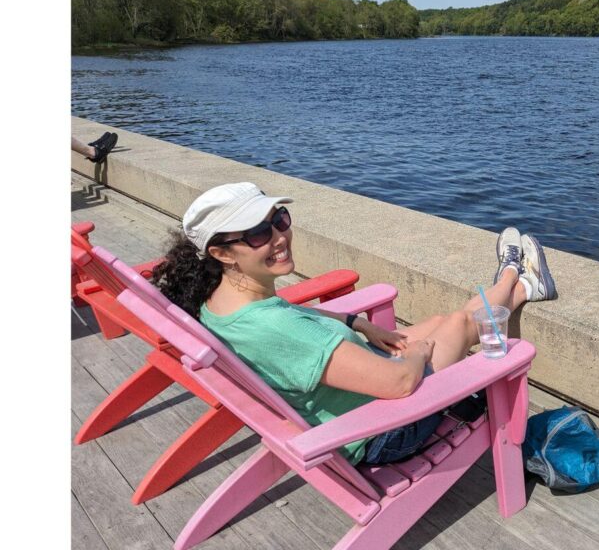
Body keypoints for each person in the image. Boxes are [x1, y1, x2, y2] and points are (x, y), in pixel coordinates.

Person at [151, 182, 556, 465]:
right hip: (383, 432)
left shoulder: (222, 302)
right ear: (223, 253)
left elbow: (290, 317)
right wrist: (416, 355)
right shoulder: (274, 331)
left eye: (279, 220)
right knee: (458, 327)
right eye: (257, 233)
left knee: (438, 320)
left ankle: (520, 285)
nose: (277, 236)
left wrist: (356, 322)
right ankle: (513, 279)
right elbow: (398, 384)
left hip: (348, 400)